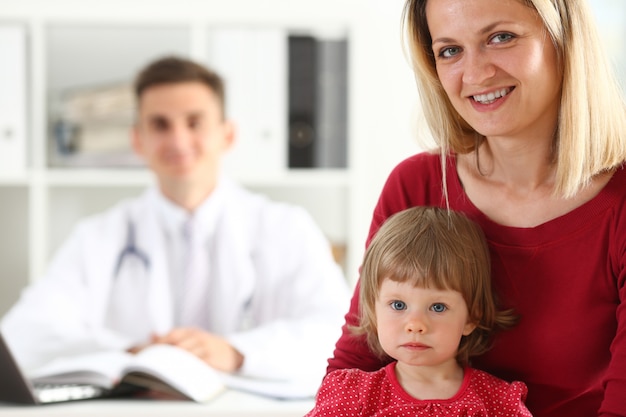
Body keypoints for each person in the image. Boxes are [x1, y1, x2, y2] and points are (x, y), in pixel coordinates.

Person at [327, 0, 626, 416]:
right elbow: (358, 361)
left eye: (500, 37)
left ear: (564, 41)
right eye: (450, 50)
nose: (475, 74)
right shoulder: (416, 185)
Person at [1, 56, 350, 392]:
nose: (178, 141)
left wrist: (235, 352)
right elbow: (25, 333)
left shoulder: (286, 227)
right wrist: (134, 353)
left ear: (227, 135)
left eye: (194, 122)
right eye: (160, 125)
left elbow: (337, 335)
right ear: (138, 140)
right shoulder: (97, 236)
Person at [305, 207, 532, 416]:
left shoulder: (498, 403)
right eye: (398, 305)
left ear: (472, 316)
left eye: (437, 307)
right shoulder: (352, 396)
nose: (415, 324)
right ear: (373, 309)